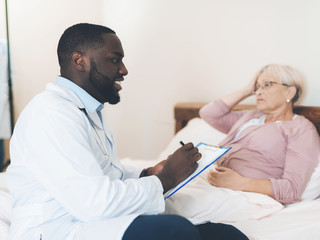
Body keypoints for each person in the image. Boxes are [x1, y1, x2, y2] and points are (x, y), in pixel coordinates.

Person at [6, 23, 248, 240]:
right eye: (114, 59)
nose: (124, 69)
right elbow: (93, 203)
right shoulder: (52, 114)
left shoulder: (87, 111)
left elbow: (105, 175)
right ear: (79, 61)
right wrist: (166, 178)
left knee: (227, 235)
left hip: (90, 221)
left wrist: (147, 172)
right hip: (56, 228)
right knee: (175, 230)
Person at [200, 64, 320, 204]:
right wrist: (247, 90)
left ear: (290, 92)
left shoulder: (301, 128)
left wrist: (240, 183)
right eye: (257, 87)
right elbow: (209, 114)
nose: (258, 92)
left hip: (244, 196)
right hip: (211, 182)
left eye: (267, 85)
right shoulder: (252, 116)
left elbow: (291, 189)